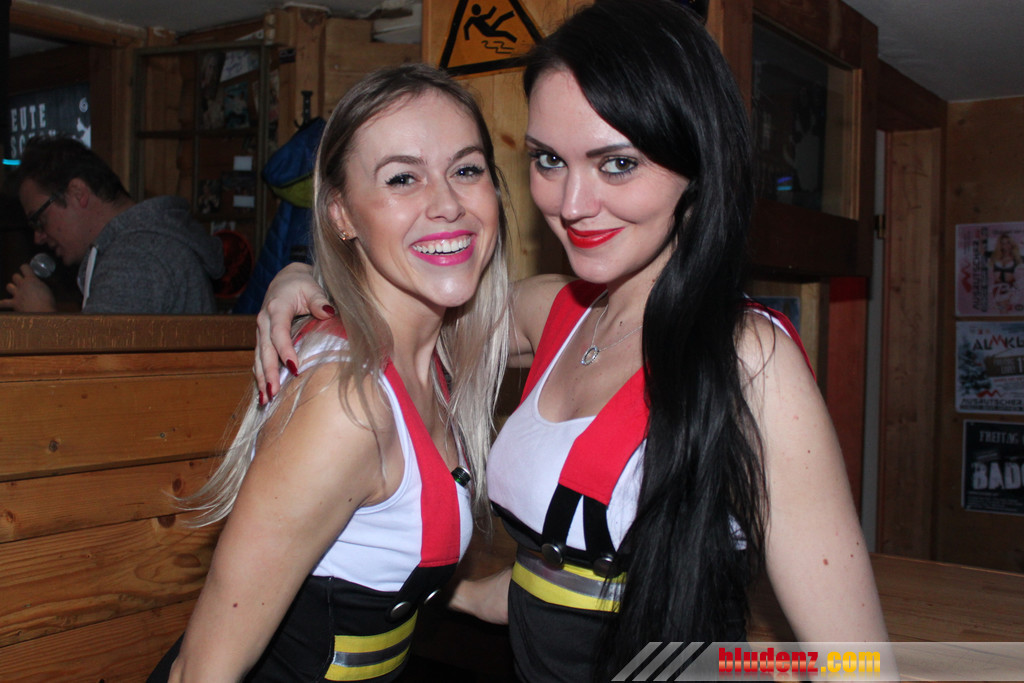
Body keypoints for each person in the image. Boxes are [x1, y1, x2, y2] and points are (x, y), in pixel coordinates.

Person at [253, 1, 890, 680]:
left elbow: (856, 664)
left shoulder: (751, 360)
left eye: (616, 163)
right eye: (550, 159)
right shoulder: (555, 313)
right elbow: (407, 299)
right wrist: (305, 276)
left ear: (698, 164)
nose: (573, 203)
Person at [149, 64, 510, 682]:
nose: (447, 203)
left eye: (467, 170)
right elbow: (201, 672)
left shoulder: (439, 349)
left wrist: (477, 596)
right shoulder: (346, 406)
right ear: (341, 214)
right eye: (402, 178)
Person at [1, 136, 224, 313]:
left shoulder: (134, 257)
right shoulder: (141, 247)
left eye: (39, 220)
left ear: (78, 193)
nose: (38, 237)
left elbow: (96, 357)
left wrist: (42, 316)